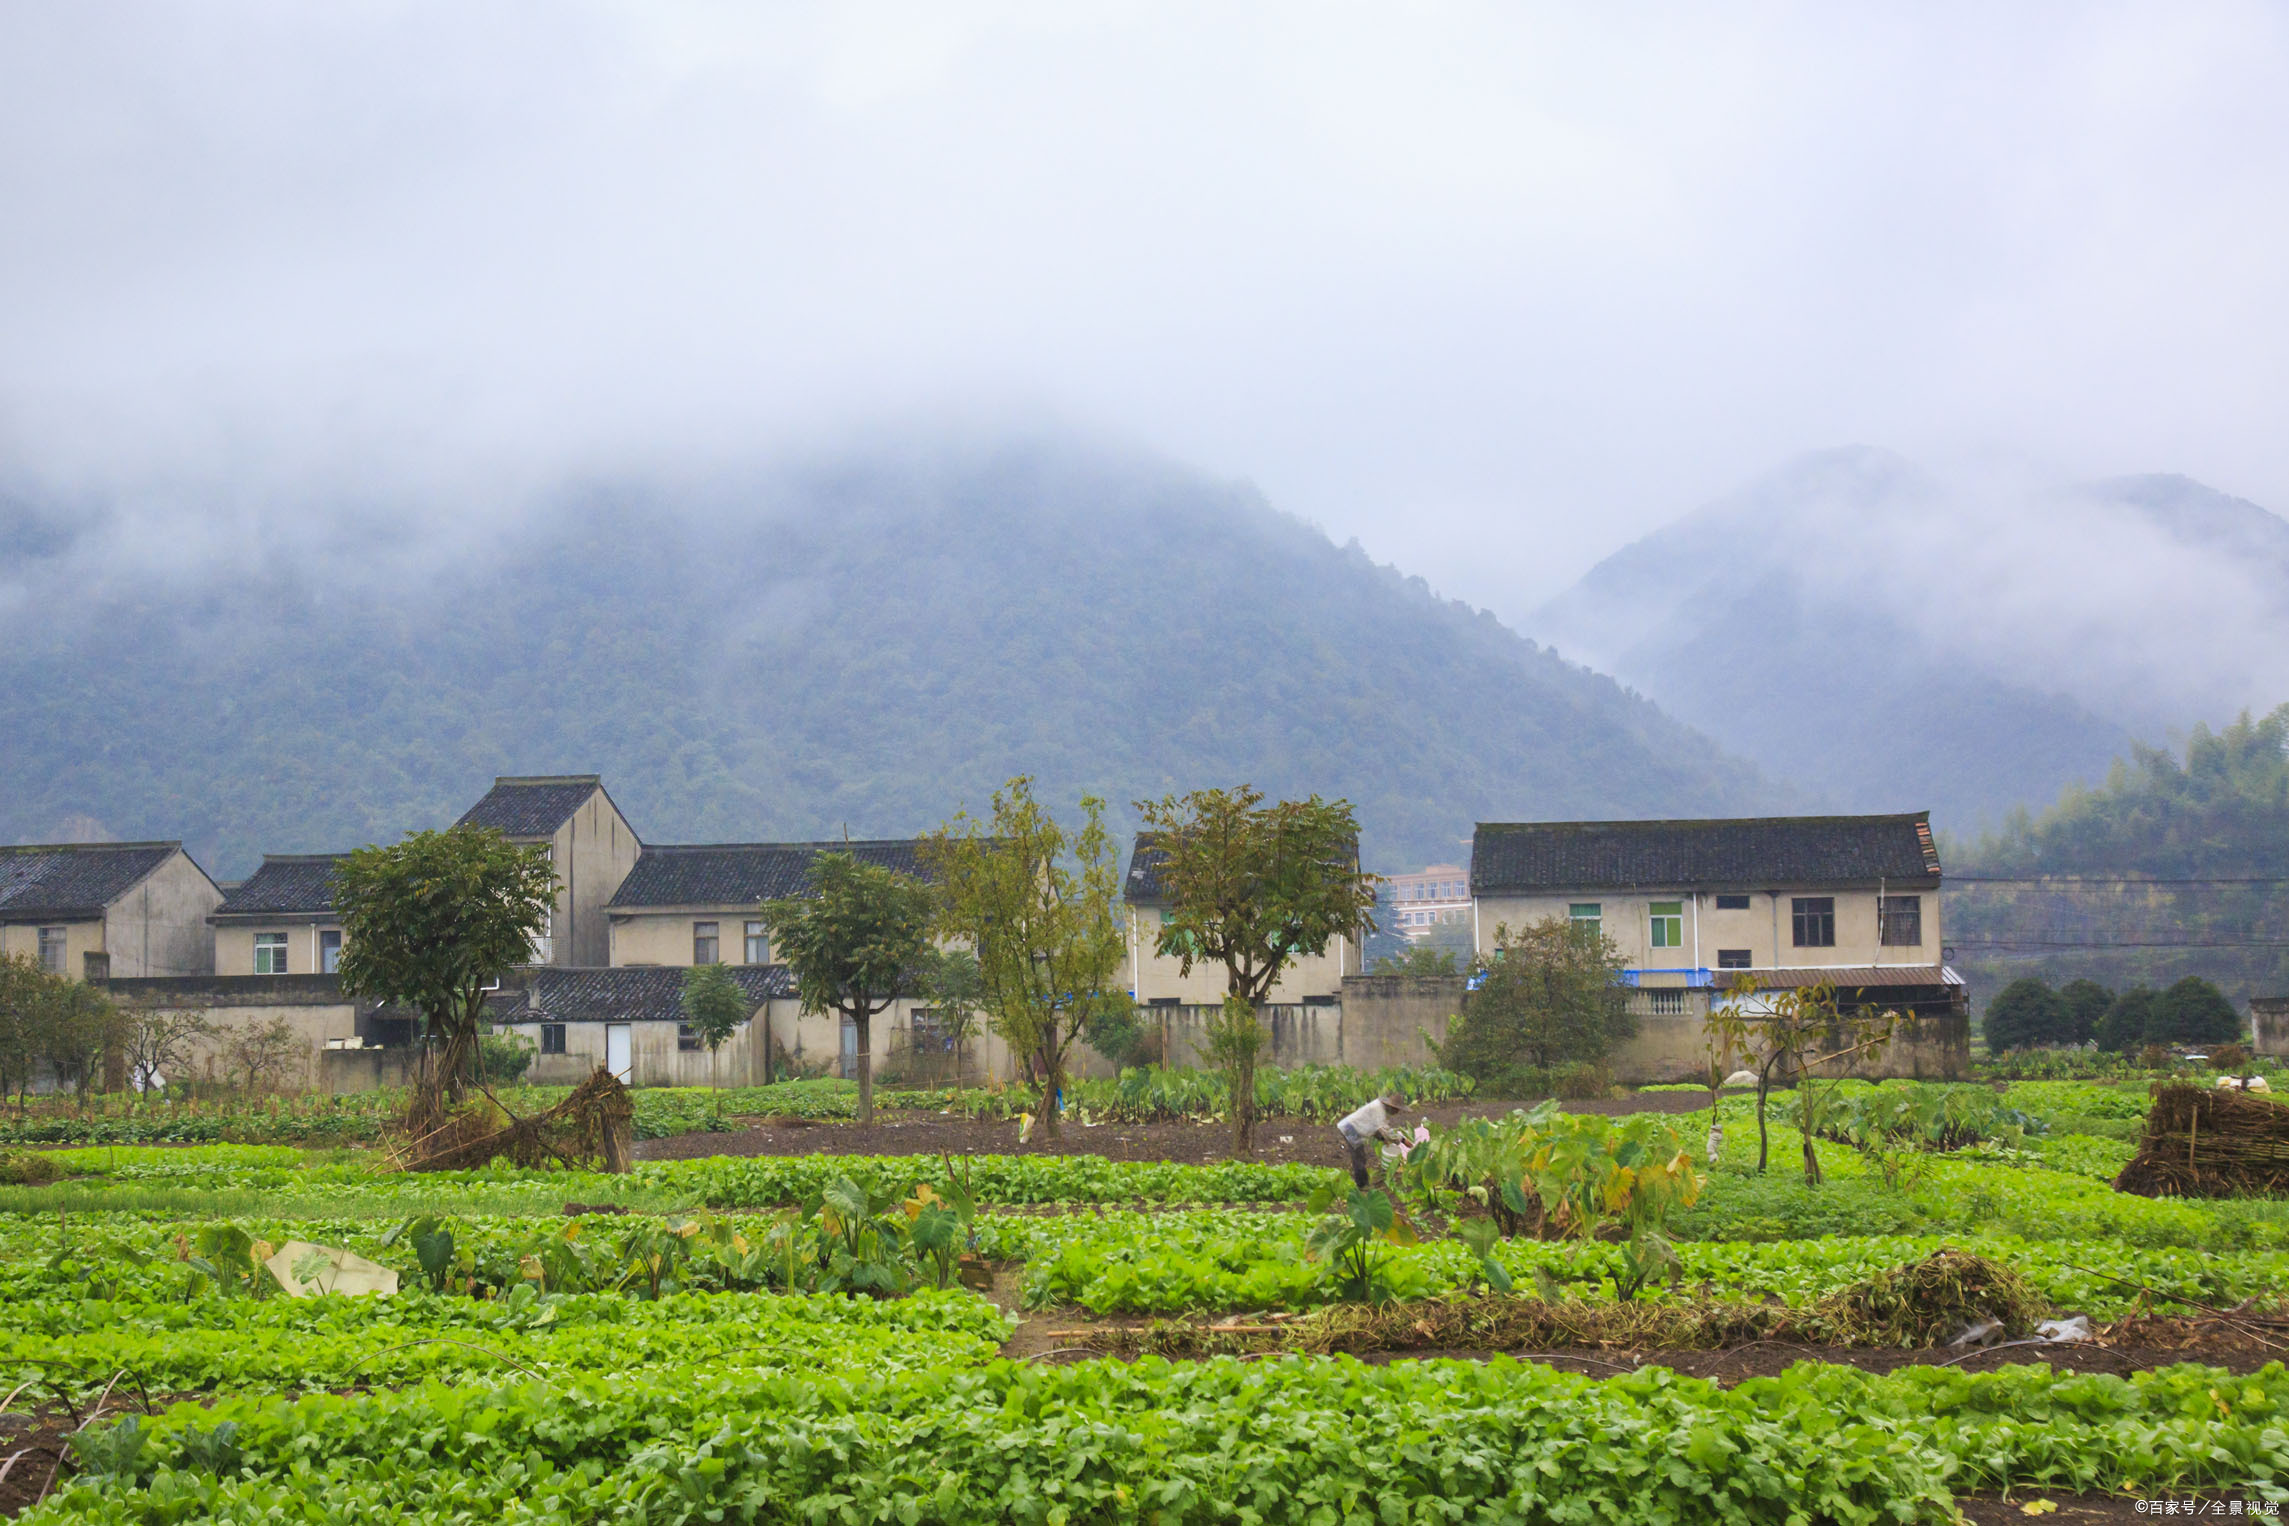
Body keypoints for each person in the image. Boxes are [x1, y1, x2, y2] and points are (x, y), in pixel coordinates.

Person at [1335, 1090, 1413, 1189]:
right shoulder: (1378, 1109)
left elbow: (1374, 1127)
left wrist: (1382, 1138)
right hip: (1351, 1129)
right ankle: (1362, 1185)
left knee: (1360, 1156)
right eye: (1396, 1110)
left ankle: (1363, 1182)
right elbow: (1385, 1130)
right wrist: (1403, 1140)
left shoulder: (1379, 1108)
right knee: (1358, 1157)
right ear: (1391, 1107)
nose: (1397, 1112)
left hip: (1352, 1127)